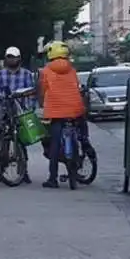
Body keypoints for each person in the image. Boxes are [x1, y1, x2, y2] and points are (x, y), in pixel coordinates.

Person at [38, 40, 88, 189]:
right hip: (75, 111)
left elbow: (42, 90)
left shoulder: (46, 71)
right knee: (80, 136)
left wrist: (42, 104)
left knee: (54, 144)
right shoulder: (72, 70)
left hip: (56, 113)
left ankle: (53, 179)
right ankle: (80, 156)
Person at [0, 46, 36, 184]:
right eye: (9, 57)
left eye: (14, 57)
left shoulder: (26, 74)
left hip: (19, 108)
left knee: (22, 138)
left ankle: (23, 171)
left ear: (19, 58)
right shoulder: (0, 75)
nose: (11, 59)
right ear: (5, 58)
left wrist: (30, 109)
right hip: (1, 107)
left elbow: (32, 93)